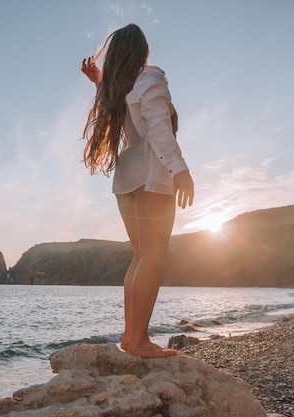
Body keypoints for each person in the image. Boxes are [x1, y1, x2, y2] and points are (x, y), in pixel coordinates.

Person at [81, 24, 194, 358]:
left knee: (140, 257)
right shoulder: (150, 79)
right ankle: (140, 341)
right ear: (142, 51)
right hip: (152, 176)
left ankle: (130, 339)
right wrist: (181, 169)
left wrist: (99, 79)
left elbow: (128, 102)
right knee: (153, 257)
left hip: (126, 178)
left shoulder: (119, 87)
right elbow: (158, 127)